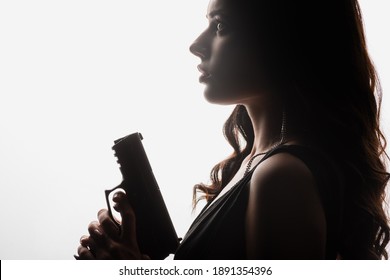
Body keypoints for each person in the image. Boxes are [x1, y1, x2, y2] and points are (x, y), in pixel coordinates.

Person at [76, 0, 390, 259]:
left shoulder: (280, 175)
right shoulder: (256, 165)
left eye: (221, 25)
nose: (195, 45)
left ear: (285, 40)